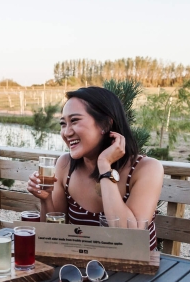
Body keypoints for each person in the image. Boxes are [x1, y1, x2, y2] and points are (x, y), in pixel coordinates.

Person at [27, 87, 164, 251]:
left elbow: (130, 238)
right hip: (85, 267)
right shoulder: (65, 165)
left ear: (105, 124)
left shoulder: (146, 168)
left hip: (135, 270)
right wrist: (45, 198)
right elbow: (53, 236)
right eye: (63, 124)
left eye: (75, 121)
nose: (66, 132)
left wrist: (104, 166)